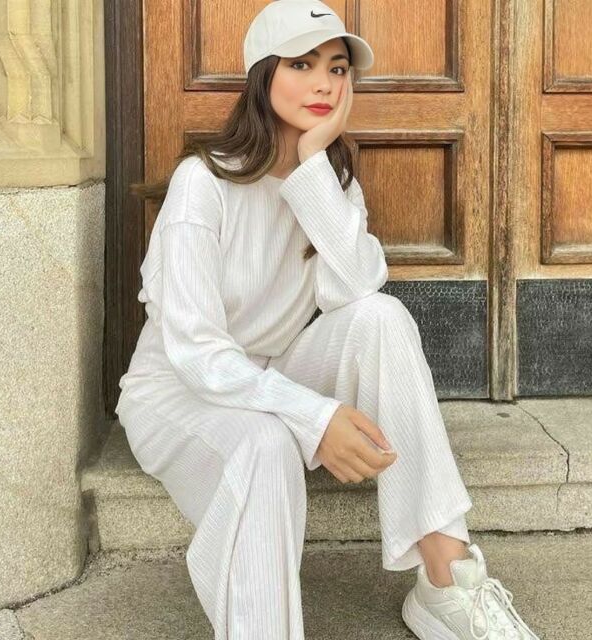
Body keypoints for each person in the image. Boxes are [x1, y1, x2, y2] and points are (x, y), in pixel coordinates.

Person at [115, 1, 541, 638]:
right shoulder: (201, 183)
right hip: (178, 393)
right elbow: (197, 353)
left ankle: (446, 582)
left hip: (274, 374)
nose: (324, 83)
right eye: (302, 64)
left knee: (382, 318)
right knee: (263, 443)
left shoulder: (330, 181)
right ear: (264, 75)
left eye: (337, 69)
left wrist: (313, 165)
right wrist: (314, 418)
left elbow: (355, 291)